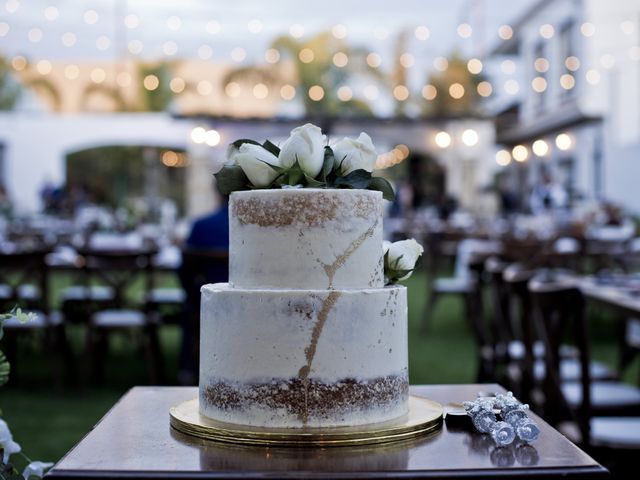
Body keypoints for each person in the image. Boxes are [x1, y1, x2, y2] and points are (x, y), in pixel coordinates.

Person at [177, 184, 229, 384]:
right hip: (252, 301)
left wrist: (191, 294)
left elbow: (184, 271)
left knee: (191, 305)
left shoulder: (202, 225)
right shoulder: (258, 228)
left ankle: (186, 369)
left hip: (206, 302)